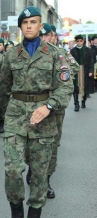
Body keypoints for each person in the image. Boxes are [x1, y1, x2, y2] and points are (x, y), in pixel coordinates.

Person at [0, 6, 73, 218]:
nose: (30, 26)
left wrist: (50, 106)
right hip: (15, 115)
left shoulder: (55, 54)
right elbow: (3, 87)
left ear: (40, 25)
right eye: (25, 23)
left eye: (34, 22)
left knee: (39, 173)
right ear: (21, 27)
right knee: (13, 170)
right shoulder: (12, 55)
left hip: (43, 118)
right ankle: (16, 216)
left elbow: (66, 86)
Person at [26, 23, 79, 200]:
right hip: (32, 106)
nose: (44, 39)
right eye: (41, 35)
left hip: (54, 108)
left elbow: (74, 69)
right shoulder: (29, 53)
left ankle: (46, 179)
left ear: (53, 36)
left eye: (47, 35)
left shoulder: (61, 53)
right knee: (30, 141)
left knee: (52, 144)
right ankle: (32, 169)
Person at [70, 35, 93, 110]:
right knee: (75, 87)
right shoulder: (72, 50)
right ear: (76, 42)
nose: (79, 42)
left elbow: (91, 61)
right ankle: (76, 104)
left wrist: (91, 70)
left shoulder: (88, 50)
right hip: (76, 71)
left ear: (83, 41)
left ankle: (83, 101)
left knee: (85, 87)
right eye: (78, 41)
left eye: (81, 41)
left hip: (85, 70)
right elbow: (70, 62)